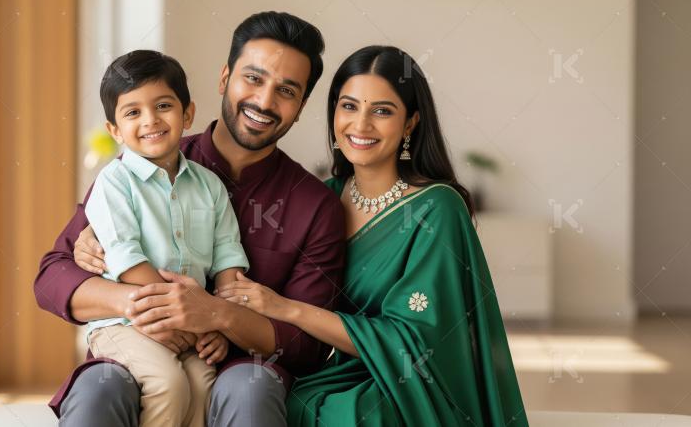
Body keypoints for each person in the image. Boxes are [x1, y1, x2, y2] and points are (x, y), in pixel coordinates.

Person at [34, 12, 345, 427]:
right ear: (224, 78)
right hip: (138, 340)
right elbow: (53, 277)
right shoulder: (138, 164)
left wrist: (216, 316)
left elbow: (307, 344)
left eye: (286, 90)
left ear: (301, 106)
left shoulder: (315, 205)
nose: (265, 101)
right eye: (253, 79)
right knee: (99, 386)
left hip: (240, 362)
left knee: (249, 389)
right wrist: (148, 307)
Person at [212, 46, 529, 426]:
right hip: (323, 373)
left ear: (410, 123)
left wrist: (287, 308)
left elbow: (418, 340)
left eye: (382, 111)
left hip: (405, 381)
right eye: (348, 106)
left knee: (353, 416)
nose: (360, 125)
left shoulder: (436, 208)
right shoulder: (319, 198)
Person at [84, 49, 250, 427]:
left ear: (187, 113)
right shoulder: (113, 183)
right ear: (114, 129)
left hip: (194, 323)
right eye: (132, 112)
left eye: (163, 105)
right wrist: (179, 316)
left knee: (205, 382)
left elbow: (227, 259)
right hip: (124, 324)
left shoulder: (209, 185)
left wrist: (217, 323)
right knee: (168, 383)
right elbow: (125, 259)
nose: (150, 120)